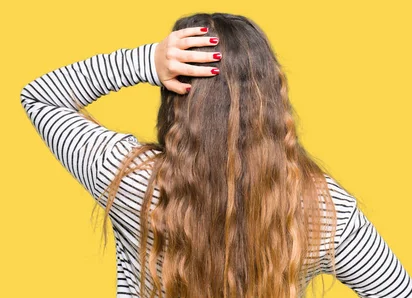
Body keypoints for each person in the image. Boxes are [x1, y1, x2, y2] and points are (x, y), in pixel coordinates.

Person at [20, 12, 412, 298]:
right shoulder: (322, 208)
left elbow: (40, 97)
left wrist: (147, 61)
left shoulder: (130, 182)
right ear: (273, 101)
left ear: (176, 97)